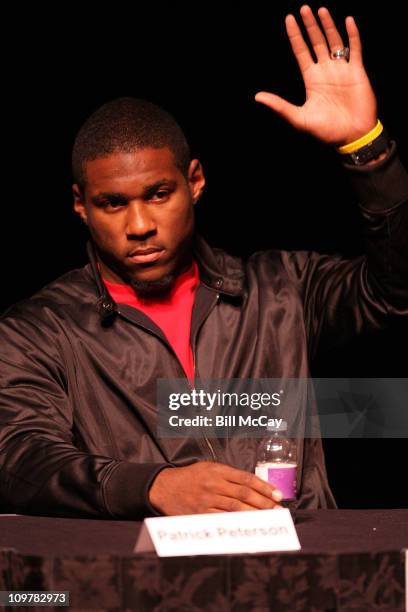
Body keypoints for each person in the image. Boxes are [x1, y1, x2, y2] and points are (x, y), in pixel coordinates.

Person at [0, 6, 407, 519]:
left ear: (194, 182)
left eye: (159, 194)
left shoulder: (281, 290)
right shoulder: (39, 331)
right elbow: (18, 455)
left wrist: (367, 149)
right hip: (140, 587)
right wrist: (152, 487)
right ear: (81, 205)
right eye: (113, 203)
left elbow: (395, 295)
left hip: (298, 579)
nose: (141, 224)